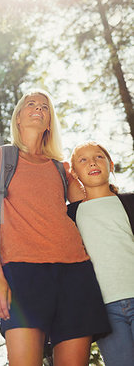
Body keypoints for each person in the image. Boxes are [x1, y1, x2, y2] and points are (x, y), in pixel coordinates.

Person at [0, 90, 110, 366]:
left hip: (76, 273)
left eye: (45, 107)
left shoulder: (61, 169)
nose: (38, 108)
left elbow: (91, 208)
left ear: (49, 122)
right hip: (22, 272)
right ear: (18, 117)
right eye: (31, 104)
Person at [68, 141, 134, 366]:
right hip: (105, 311)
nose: (92, 162)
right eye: (82, 160)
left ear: (111, 165)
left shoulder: (129, 202)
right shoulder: (72, 214)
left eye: (98, 157)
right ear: (74, 172)